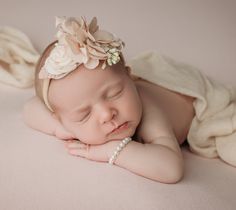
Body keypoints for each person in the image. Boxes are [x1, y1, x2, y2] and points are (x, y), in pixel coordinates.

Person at [23, 16, 196, 183]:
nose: (107, 114)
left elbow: (171, 169)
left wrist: (112, 151)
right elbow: (30, 109)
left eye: (115, 93)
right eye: (84, 114)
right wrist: (65, 128)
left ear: (129, 78)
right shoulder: (69, 114)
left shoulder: (149, 112)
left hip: (187, 100)